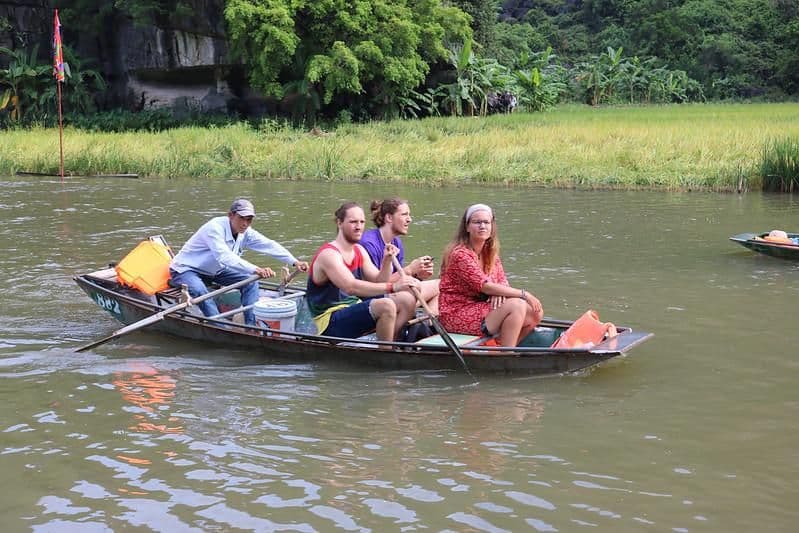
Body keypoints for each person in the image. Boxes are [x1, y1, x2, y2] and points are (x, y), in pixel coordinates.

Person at [169, 198, 309, 325]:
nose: (245, 224)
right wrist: (256, 269)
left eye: (249, 220)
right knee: (202, 293)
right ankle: (219, 327)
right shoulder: (214, 228)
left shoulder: (246, 232)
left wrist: (294, 261)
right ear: (230, 215)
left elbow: (269, 245)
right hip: (186, 270)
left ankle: (251, 326)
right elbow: (225, 257)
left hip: (215, 270)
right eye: (242, 218)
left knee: (251, 282)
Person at [306, 201, 421, 342]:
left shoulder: (359, 250)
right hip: (329, 321)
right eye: (353, 222)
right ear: (339, 223)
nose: (359, 227)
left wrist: (387, 261)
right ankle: (385, 354)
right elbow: (351, 287)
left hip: (352, 308)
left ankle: (393, 342)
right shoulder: (329, 254)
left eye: (362, 222)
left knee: (407, 300)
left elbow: (379, 281)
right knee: (386, 305)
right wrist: (394, 286)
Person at [438, 203, 543, 347]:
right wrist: (524, 294)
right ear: (467, 227)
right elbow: (485, 286)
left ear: (492, 227)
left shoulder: (490, 252)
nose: (482, 226)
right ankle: (506, 354)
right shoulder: (460, 254)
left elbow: (502, 282)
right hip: (456, 313)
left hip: (481, 307)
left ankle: (502, 346)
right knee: (518, 304)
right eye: (477, 222)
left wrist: (499, 293)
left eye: (486, 222)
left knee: (535, 312)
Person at [360, 197, 439, 313]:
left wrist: (418, 275)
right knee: (435, 285)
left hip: (392, 294)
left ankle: (428, 324)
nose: (409, 219)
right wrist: (410, 269)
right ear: (389, 218)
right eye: (404, 215)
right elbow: (377, 285)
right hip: (372, 301)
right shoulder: (368, 243)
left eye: (409, 215)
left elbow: (397, 279)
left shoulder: (396, 242)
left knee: (442, 287)